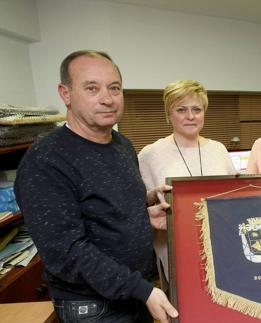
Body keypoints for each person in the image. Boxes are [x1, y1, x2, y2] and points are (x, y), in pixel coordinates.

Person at [14, 50, 178, 323]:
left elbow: (106, 210)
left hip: (136, 294)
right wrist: (143, 290)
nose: (107, 98)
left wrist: (145, 209)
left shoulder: (122, 145)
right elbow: (66, 252)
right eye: (92, 88)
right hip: (94, 308)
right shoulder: (45, 160)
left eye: (114, 88)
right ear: (65, 94)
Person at [138, 79, 237, 289]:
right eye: (181, 110)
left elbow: (232, 196)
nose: (190, 116)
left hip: (222, 249)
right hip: (176, 254)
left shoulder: (218, 149)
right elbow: (137, 204)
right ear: (168, 114)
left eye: (196, 109)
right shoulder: (150, 155)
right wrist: (153, 196)